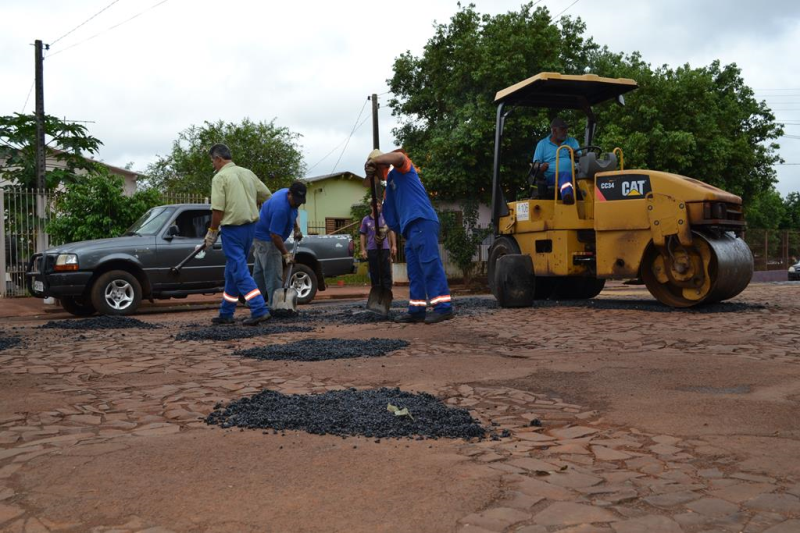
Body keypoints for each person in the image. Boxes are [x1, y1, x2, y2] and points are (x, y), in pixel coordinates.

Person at [364, 148, 454, 324]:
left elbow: (399, 157)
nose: (377, 177)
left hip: (422, 220)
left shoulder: (402, 170)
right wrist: (383, 231)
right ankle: (416, 310)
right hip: (410, 229)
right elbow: (391, 216)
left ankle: (443, 307)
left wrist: (376, 160)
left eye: (376, 170)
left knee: (429, 264)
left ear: (381, 164)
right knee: (415, 272)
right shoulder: (389, 187)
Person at [205, 143, 272, 326]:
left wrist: (211, 232)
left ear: (219, 159)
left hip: (232, 230)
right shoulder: (247, 172)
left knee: (239, 270)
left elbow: (217, 211)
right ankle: (226, 312)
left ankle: (259, 308)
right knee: (232, 271)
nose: (213, 165)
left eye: (213, 161)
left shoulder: (220, 178)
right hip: (250, 228)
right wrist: (248, 202)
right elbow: (266, 194)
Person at [253, 181, 306, 306]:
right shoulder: (281, 208)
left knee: (259, 273)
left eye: (300, 201)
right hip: (267, 239)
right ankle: (275, 306)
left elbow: (292, 212)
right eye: (296, 200)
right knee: (274, 274)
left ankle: (255, 303)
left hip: (260, 235)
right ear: (289, 194)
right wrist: (286, 254)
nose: (297, 203)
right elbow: (275, 235)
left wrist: (296, 229)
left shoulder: (289, 197)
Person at [532, 117, 580, 204]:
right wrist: (541, 167)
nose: (565, 131)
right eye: (562, 129)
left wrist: (575, 154)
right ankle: (567, 196)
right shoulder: (542, 144)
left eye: (566, 129)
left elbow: (582, 157)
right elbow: (535, 164)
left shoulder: (572, 141)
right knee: (564, 174)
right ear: (554, 131)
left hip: (575, 175)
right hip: (551, 178)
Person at [359, 204, 396, 293]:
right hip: (372, 249)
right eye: (376, 206)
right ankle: (376, 292)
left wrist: (394, 245)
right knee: (374, 272)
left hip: (384, 249)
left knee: (386, 271)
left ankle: (387, 292)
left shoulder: (385, 217)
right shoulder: (366, 219)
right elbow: (362, 234)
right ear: (371, 207)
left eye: (379, 206)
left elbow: (391, 231)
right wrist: (363, 249)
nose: (378, 208)